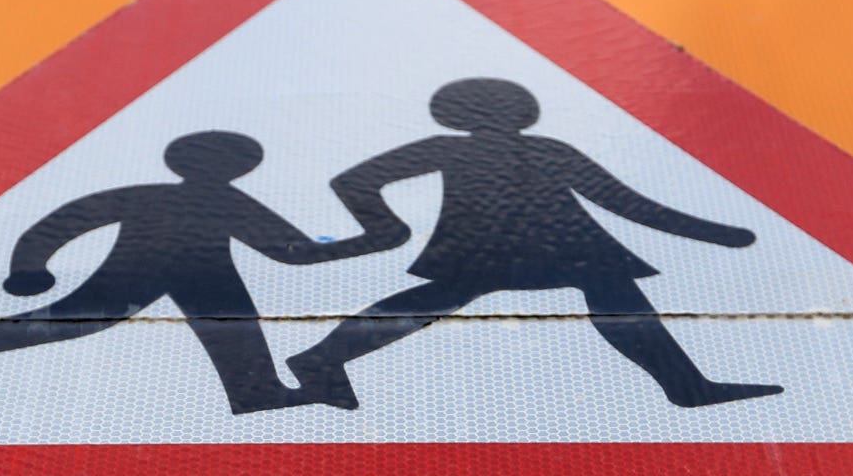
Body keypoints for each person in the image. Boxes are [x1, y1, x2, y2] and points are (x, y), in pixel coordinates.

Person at [286, 78, 783, 410]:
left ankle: (685, 385)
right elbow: (628, 204)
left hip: (540, 242)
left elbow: (624, 202)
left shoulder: (524, 150)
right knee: (436, 301)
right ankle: (322, 359)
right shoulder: (520, 149)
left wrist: (716, 233)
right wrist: (382, 227)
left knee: (610, 293)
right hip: (518, 242)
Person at [0, 131, 330, 412]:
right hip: (145, 268)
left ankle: (258, 392)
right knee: (75, 321)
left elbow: (291, 250)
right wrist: (27, 268)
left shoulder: (214, 199)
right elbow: (69, 220)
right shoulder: (209, 199)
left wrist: (30, 267)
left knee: (234, 324)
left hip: (203, 273)